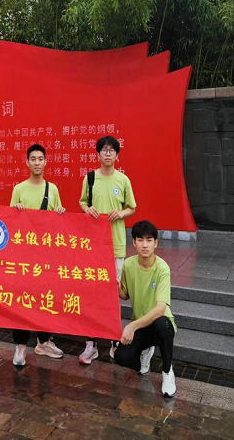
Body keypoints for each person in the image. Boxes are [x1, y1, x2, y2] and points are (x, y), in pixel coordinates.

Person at [78, 135, 136, 364]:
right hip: (92, 245)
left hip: (116, 245)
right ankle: (90, 343)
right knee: (91, 293)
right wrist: (87, 209)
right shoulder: (90, 178)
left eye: (112, 150)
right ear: (98, 154)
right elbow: (82, 202)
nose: (108, 153)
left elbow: (132, 207)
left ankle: (113, 340)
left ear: (117, 155)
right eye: (104, 150)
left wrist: (121, 213)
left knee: (113, 292)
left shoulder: (123, 180)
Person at [10, 144, 66, 366]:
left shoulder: (53, 189)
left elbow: (58, 224)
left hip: (45, 256)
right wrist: (16, 212)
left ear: (45, 161)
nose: (36, 162)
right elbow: (10, 223)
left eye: (40, 158)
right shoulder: (19, 189)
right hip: (24, 255)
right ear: (27, 162)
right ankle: (20, 346)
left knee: (45, 297)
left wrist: (60, 213)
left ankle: (43, 341)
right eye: (32, 159)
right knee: (21, 299)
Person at [113, 220, 177, 397]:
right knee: (121, 357)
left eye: (149, 240)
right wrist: (116, 288)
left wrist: (131, 326)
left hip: (159, 323)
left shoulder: (162, 268)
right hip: (141, 324)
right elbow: (125, 294)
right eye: (140, 240)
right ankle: (145, 353)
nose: (144, 244)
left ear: (156, 243)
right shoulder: (128, 265)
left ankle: (167, 372)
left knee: (163, 324)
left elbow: (160, 309)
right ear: (134, 242)